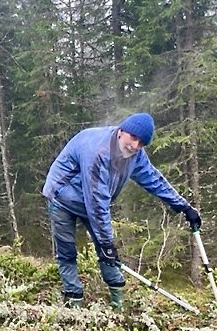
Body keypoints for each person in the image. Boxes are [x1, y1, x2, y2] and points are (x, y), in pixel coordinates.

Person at [42, 113, 201, 310]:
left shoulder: (135, 156)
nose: (135, 146)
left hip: (92, 201)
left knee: (107, 251)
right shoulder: (98, 153)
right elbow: (97, 202)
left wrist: (183, 206)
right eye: (133, 138)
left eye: (141, 143)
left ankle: (118, 301)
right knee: (68, 250)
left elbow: (153, 179)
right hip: (62, 196)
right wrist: (107, 243)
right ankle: (73, 299)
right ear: (122, 131)